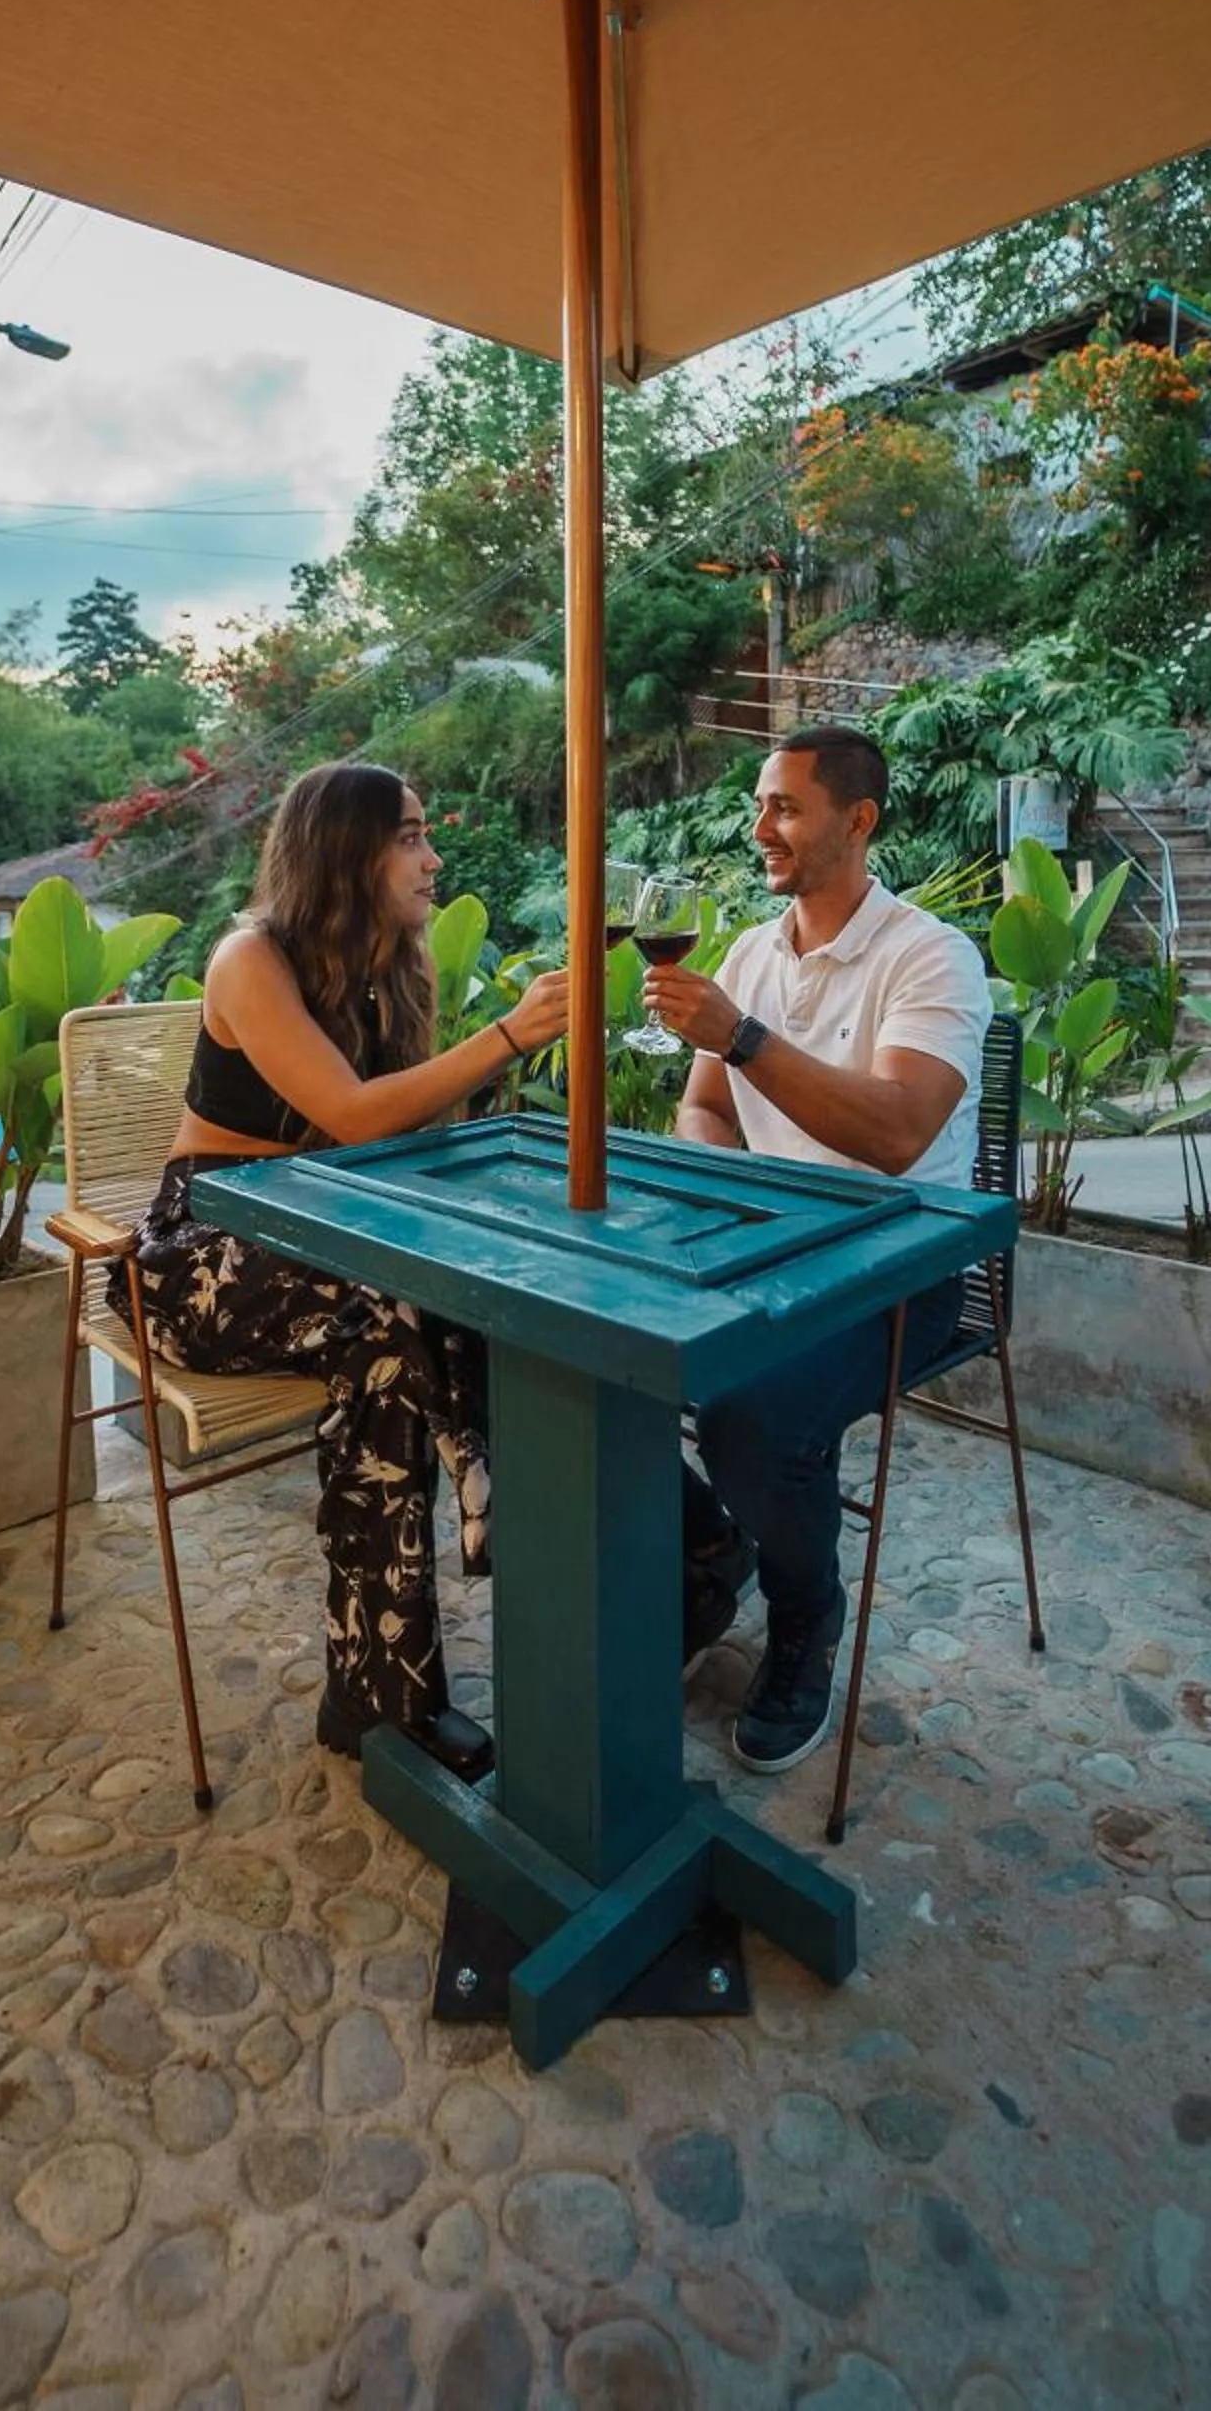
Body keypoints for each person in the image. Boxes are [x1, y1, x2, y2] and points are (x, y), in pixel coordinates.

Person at [110, 761, 568, 1782]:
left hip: (329, 1242)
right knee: (401, 1330)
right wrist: (510, 1037)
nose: (432, 858)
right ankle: (546, 1539)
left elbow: (399, 1138)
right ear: (343, 851)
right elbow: (355, 1118)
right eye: (409, 836)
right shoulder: (250, 959)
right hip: (201, 1252)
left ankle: (382, 1690)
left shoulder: (393, 965)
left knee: (436, 1329)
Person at [647, 725, 991, 1774]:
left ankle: (806, 1614)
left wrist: (742, 1036)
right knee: (592, 1353)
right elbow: (704, 1111)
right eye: (760, 806)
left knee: (751, 1421)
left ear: (859, 820)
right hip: (770, 1257)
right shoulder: (750, 955)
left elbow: (900, 1132)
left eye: (786, 808)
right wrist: (739, 1197)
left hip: (902, 1271)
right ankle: (715, 1547)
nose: (762, 828)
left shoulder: (930, 956)